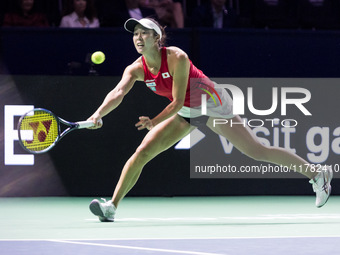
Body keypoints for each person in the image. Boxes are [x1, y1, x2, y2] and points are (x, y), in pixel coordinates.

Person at [87, 17, 333, 222]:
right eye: (135, 34)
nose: (138, 38)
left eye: (144, 33)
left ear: (157, 38)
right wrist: (98, 113)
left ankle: (317, 174)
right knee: (142, 152)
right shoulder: (135, 69)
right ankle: (111, 207)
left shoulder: (176, 57)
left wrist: (154, 120)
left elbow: (177, 102)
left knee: (256, 150)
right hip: (187, 112)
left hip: (211, 104)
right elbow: (118, 92)